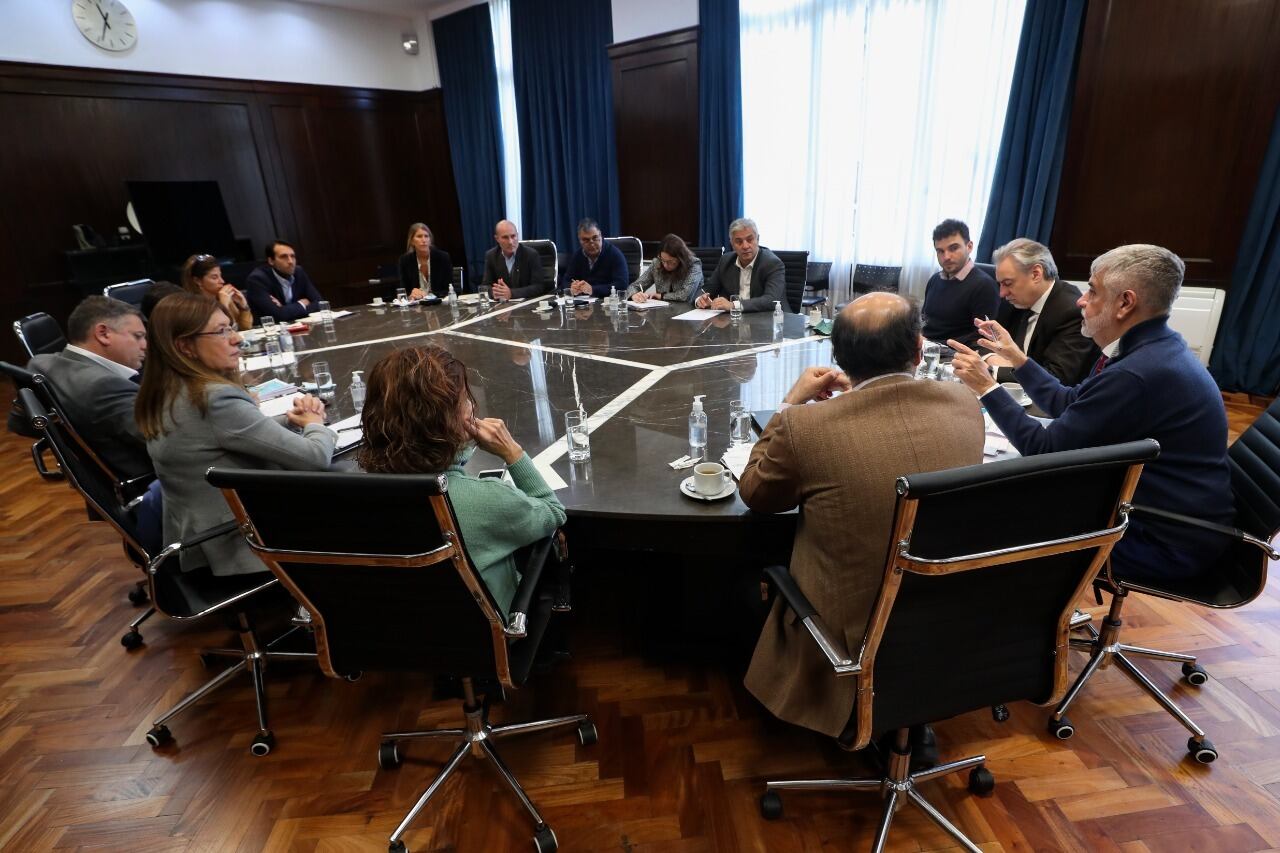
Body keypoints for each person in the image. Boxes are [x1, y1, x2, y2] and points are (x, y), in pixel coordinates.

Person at [741, 292, 984, 737]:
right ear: (917, 349)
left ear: (838, 359)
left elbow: (756, 493)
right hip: (946, 612)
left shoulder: (807, 427)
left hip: (850, 628)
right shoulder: (964, 403)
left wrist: (791, 404)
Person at [948, 244, 1234, 585]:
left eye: (1093, 291)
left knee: (994, 518)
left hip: (1161, 541)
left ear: (1125, 303)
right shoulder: (1152, 349)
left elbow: (1044, 450)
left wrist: (986, 388)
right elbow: (1068, 401)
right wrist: (1019, 359)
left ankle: (1021, 630)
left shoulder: (1137, 374)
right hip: (1166, 519)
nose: (1081, 300)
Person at [136, 292, 335, 576]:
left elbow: (230, 435)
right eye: (220, 332)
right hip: (243, 543)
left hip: (201, 540)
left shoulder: (165, 391)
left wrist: (293, 421)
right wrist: (315, 423)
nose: (237, 339)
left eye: (230, 327)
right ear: (185, 347)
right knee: (354, 483)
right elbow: (315, 458)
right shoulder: (213, 399)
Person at [357, 345, 566, 615]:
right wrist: (512, 452)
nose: (471, 405)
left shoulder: (359, 498)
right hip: (487, 643)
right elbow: (553, 511)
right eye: (465, 398)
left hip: (396, 639)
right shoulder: (487, 499)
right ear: (449, 421)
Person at [29, 296, 151, 480]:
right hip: (153, 486)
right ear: (103, 334)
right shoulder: (107, 386)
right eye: (138, 336)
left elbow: (21, 424)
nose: (145, 346)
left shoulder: (39, 365)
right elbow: (169, 446)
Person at [986, 239, 1098, 385]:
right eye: (1000, 284)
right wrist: (989, 358)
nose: (1002, 293)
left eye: (1007, 283)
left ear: (1036, 274)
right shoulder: (1017, 300)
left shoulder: (1072, 312)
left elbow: (1056, 377)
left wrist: (991, 370)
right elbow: (992, 344)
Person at [921, 218, 998, 347]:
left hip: (953, 356)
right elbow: (925, 321)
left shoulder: (985, 286)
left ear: (969, 246)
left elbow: (980, 337)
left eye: (953, 248)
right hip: (925, 349)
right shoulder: (934, 280)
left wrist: (933, 345)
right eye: (940, 251)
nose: (946, 257)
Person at [695, 218, 787, 312]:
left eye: (750, 240)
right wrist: (700, 300)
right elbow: (706, 290)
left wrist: (733, 305)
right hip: (734, 320)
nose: (745, 246)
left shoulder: (772, 263)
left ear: (758, 239)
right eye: (739, 241)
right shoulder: (726, 261)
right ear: (732, 243)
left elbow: (771, 300)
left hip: (771, 320)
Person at [244, 240, 326, 323]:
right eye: (283, 257)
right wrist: (302, 304)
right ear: (271, 261)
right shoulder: (257, 279)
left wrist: (284, 309)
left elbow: (320, 304)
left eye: (293, 256)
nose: (290, 261)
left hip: (298, 326)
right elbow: (277, 316)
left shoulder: (299, 272)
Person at [481, 220, 550, 300]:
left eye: (513, 236)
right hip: (502, 306)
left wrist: (511, 293)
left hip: (526, 306)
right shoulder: (491, 256)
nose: (510, 242)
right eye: (505, 237)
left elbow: (539, 287)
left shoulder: (531, 255)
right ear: (497, 239)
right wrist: (495, 292)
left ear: (517, 235)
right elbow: (485, 286)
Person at [624, 233, 703, 303]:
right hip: (663, 312)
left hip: (688, 312)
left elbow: (685, 295)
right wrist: (634, 294)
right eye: (663, 260)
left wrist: (661, 296)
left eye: (670, 262)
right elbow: (634, 286)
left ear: (680, 259)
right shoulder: (657, 263)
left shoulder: (693, 265)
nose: (665, 265)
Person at [181, 254, 253, 331]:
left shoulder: (222, 297)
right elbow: (222, 332)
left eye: (220, 276)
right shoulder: (192, 307)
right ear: (197, 281)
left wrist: (243, 306)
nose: (222, 281)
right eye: (214, 277)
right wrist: (223, 307)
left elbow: (246, 327)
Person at [561, 218, 628, 298]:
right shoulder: (577, 256)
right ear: (580, 240)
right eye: (586, 240)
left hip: (608, 302)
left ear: (600, 235)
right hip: (584, 304)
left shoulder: (615, 254)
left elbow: (622, 285)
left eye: (595, 238)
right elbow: (565, 281)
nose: (591, 243)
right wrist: (572, 287)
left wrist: (592, 289)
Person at [397, 222, 454, 300]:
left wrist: (426, 295)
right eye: (419, 236)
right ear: (412, 241)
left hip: (440, 303)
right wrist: (411, 296)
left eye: (426, 236)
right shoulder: (405, 260)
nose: (424, 240)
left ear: (430, 240)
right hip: (417, 306)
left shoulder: (443, 257)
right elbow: (404, 290)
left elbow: (449, 289)